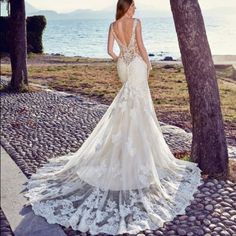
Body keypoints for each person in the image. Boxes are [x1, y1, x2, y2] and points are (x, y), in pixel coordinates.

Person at [24, 0, 203, 235]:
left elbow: (110, 50)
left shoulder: (112, 24)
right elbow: (140, 45)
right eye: (134, 5)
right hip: (136, 65)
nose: (136, 9)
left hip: (123, 65)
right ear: (127, 7)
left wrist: (121, 59)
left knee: (126, 105)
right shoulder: (136, 22)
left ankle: (126, 148)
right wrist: (148, 66)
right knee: (139, 107)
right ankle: (139, 154)